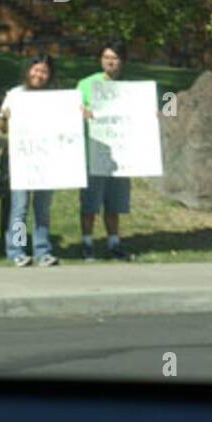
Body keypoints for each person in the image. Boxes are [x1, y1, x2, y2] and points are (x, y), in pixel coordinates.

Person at [0, 53, 61, 268]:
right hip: (21, 160)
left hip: (47, 161)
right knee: (20, 207)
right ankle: (17, 250)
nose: (39, 74)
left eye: (44, 71)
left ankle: (42, 251)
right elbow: (3, 128)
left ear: (49, 75)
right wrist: (5, 118)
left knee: (42, 208)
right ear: (28, 70)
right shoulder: (15, 95)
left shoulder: (56, 98)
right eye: (36, 69)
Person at [78, 42, 134, 261]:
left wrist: (157, 114)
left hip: (121, 155)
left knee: (115, 203)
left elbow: (166, 104)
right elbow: (71, 110)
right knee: (90, 204)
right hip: (94, 153)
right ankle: (87, 244)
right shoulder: (86, 84)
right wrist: (81, 113)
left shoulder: (130, 89)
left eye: (115, 57)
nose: (110, 61)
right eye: (106, 57)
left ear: (123, 61)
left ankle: (114, 243)